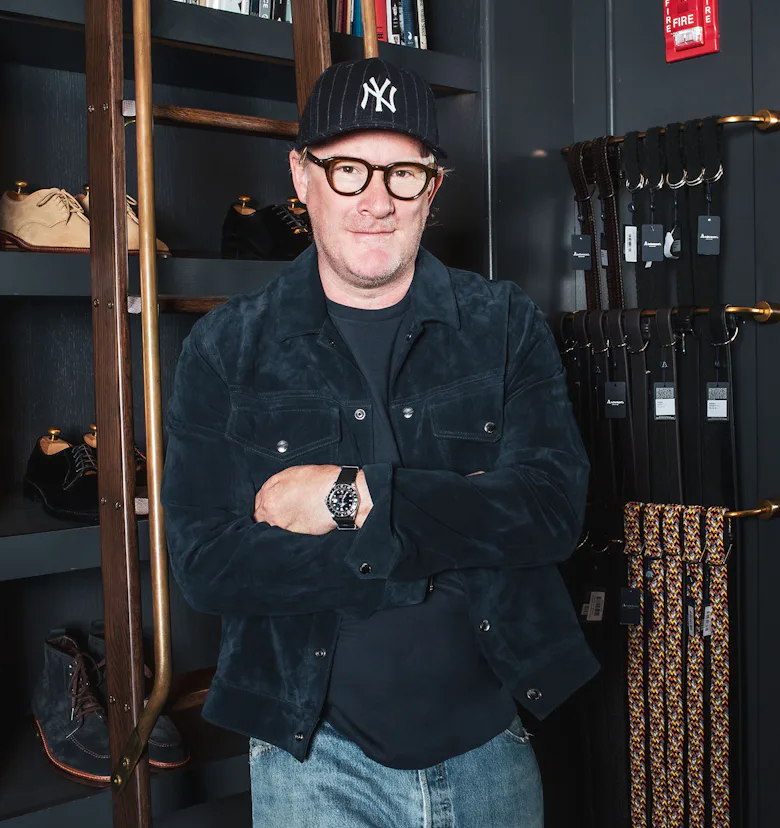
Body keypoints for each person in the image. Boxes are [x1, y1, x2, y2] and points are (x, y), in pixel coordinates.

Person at [162, 57, 597, 828]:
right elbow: (209, 566)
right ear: (302, 176)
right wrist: (433, 540)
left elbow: (549, 511)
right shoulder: (226, 349)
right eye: (348, 169)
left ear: (433, 186)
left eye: (402, 175)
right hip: (315, 762)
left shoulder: (503, 325)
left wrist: (352, 496)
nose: (375, 201)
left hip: (490, 746)